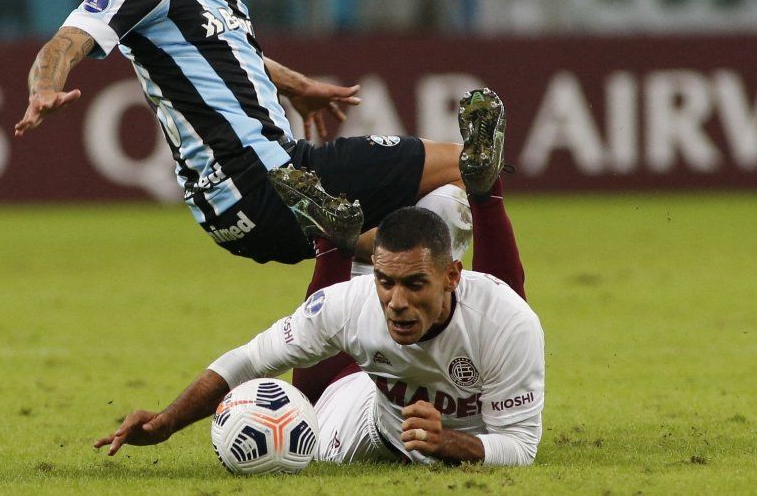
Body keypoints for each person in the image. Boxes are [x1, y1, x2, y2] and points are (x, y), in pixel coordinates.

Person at [13, 0, 474, 265]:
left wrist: (295, 86)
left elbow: (222, 53)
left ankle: (349, 331)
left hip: (238, 206)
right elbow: (65, 43)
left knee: (390, 247)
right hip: (267, 181)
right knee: (468, 166)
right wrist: (44, 89)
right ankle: (493, 302)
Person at [94, 101, 545, 466]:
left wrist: (449, 442)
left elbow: (520, 448)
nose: (397, 303)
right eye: (386, 282)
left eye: (414, 284)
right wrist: (167, 422)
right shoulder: (357, 301)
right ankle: (349, 239)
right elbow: (248, 361)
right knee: (310, 402)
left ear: (453, 275)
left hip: (449, 416)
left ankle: (339, 240)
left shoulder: (508, 321)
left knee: (453, 209)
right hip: (373, 419)